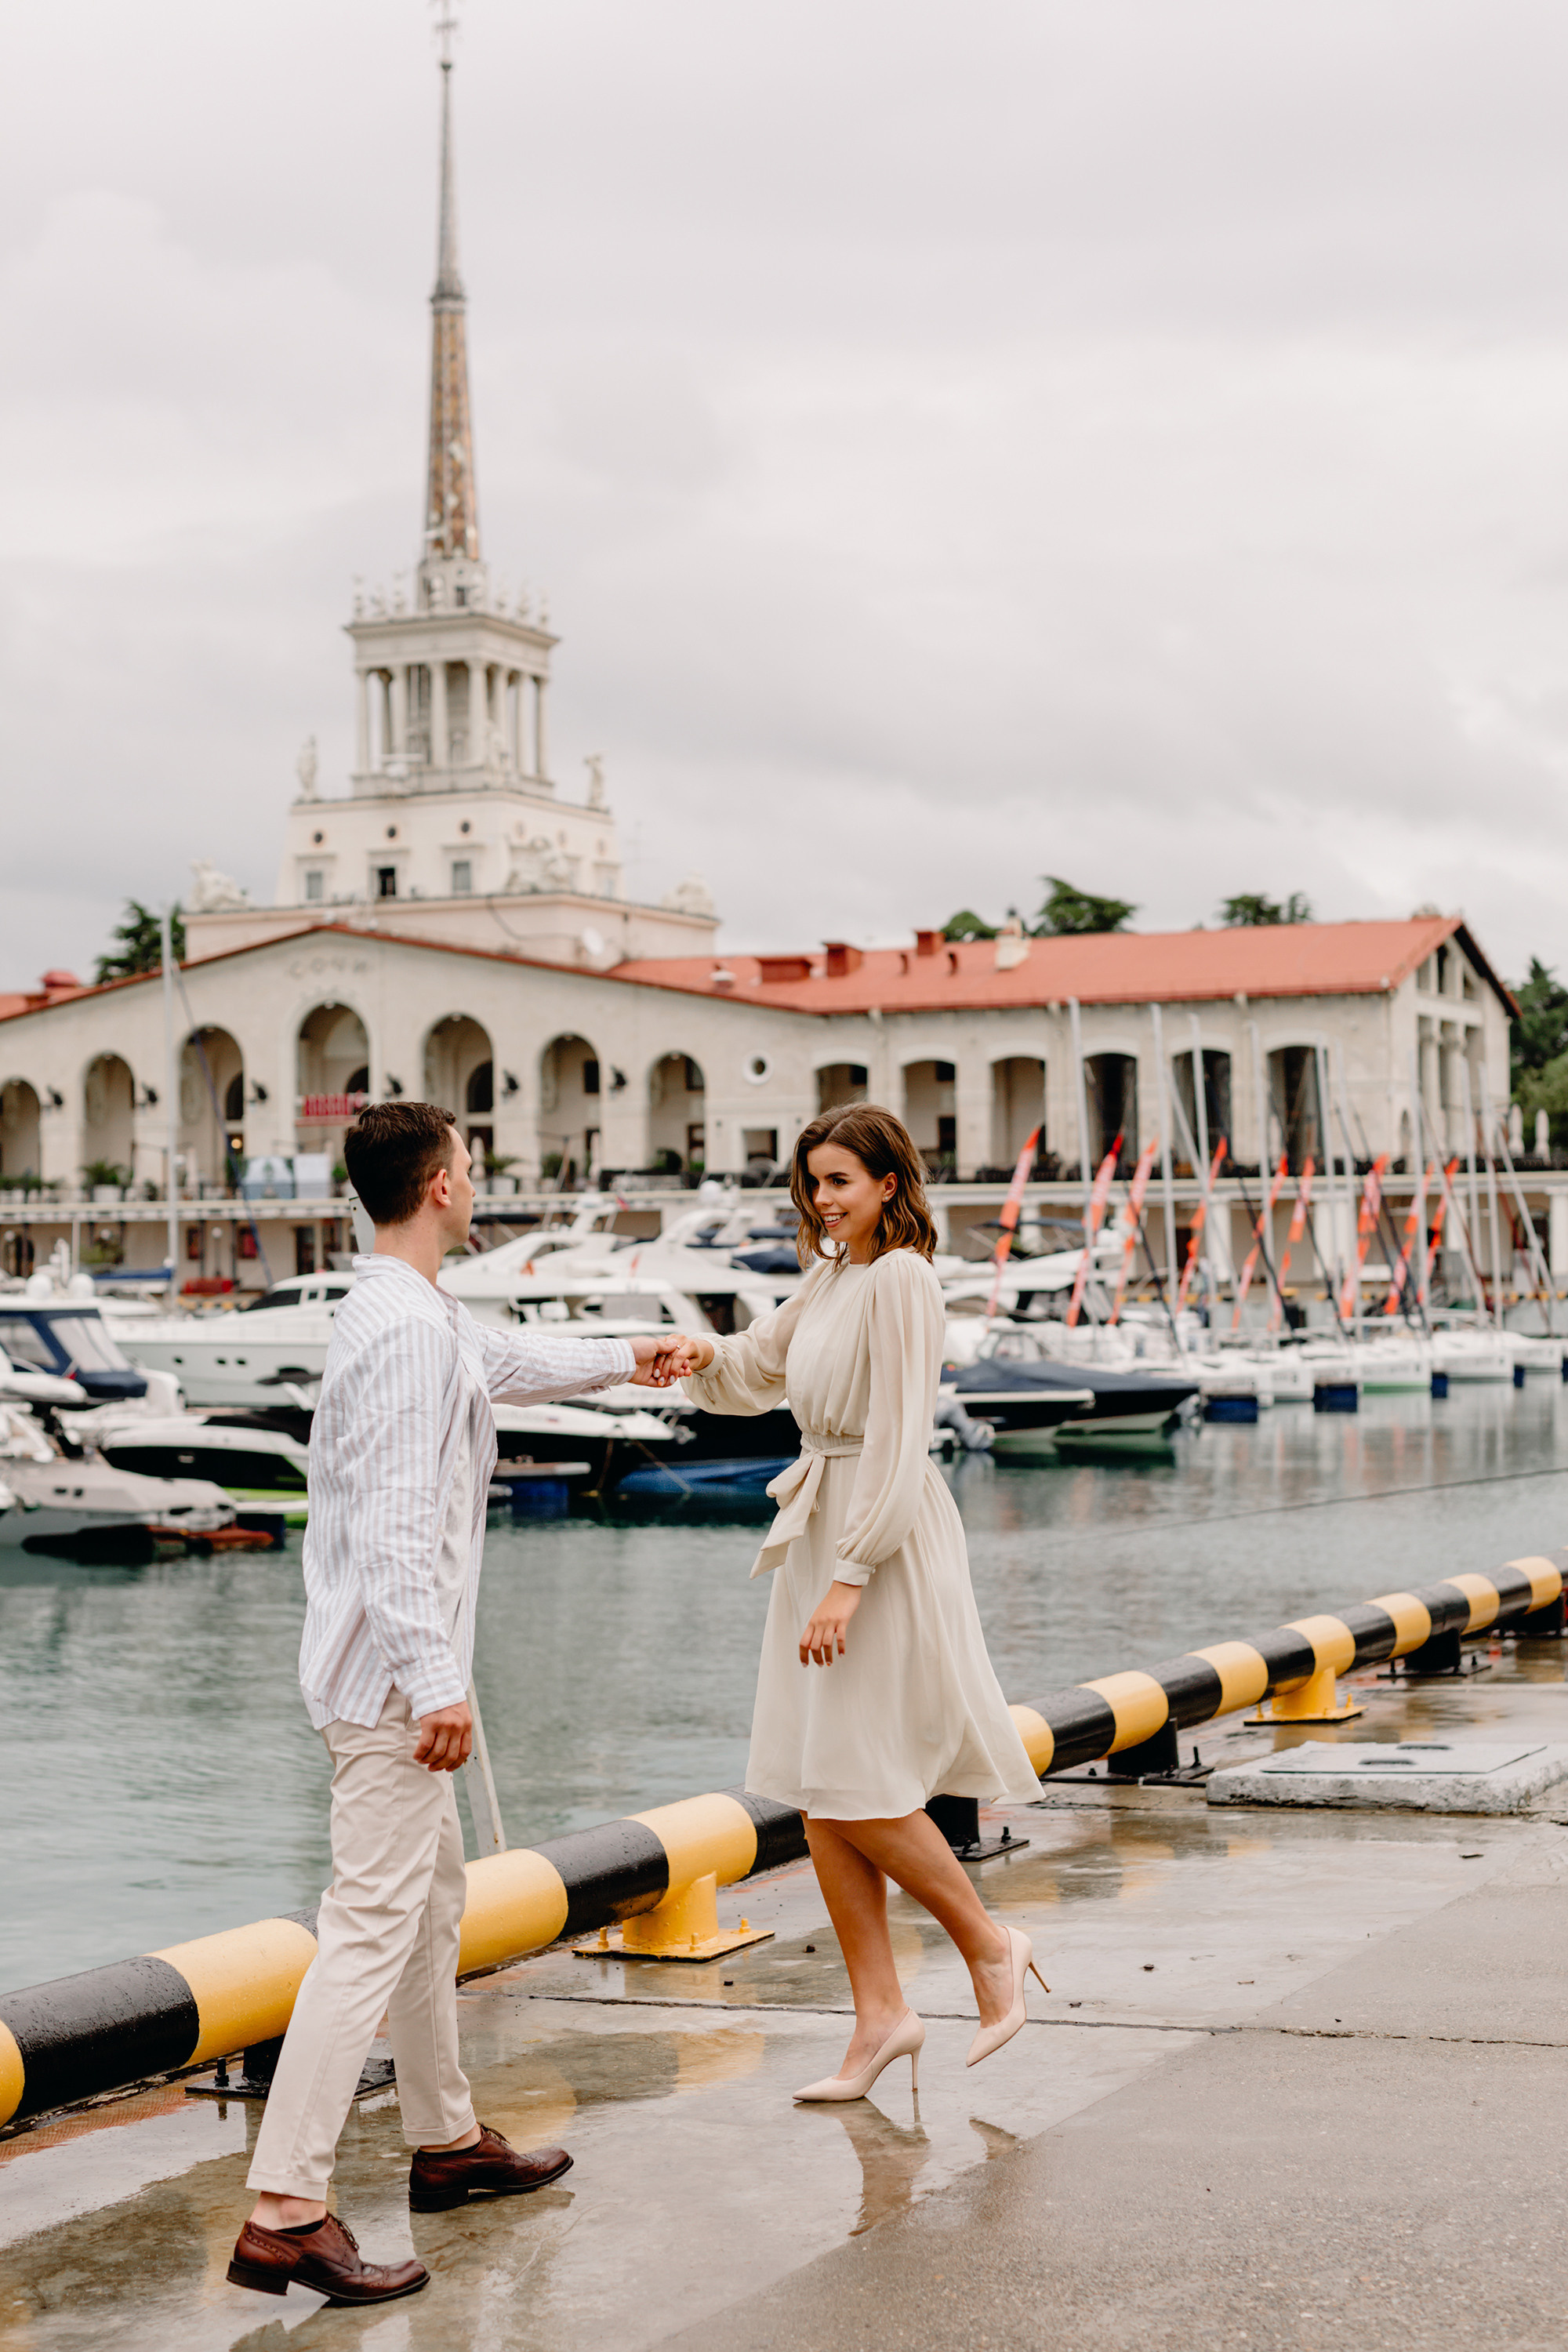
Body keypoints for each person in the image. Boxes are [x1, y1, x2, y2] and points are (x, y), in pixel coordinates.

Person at [229, 1102, 684, 2307]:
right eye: (470, 1166)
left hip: (386, 1675)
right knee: (373, 1926)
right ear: (439, 1185)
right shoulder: (404, 1330)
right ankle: (286, 2209)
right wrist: (436, 1682)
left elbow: (509, 1363)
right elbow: (385, 1527)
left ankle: (446, 2142)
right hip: (388, 1687)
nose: (477, 1181)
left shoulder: (412, 1313)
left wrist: (635, 1352)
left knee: (427, 1911)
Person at [671, 1104, 1045, 2103]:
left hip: (874, 1539)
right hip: (822, 1525)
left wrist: (850, 1574)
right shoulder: (830, 1277)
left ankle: (988, 1943)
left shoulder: (903, 1279)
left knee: (863, 1781)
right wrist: (695, 1355)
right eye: (812, 1182)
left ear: (889, 1183)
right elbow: (758, 1369)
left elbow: (896, 1436)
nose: (821, 1199)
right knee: (821, 1785)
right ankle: (880, 2014)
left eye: (839, 1180)